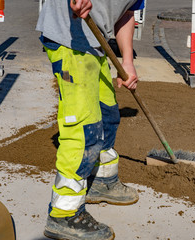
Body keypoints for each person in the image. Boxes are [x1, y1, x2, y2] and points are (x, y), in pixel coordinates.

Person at [36, 0, 144, 239]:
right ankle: (64, 214)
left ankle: (101, 181)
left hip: (97, 45)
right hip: (69, 38)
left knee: (107, 115)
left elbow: (125, 13)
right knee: (84, 128)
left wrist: (127, 60)